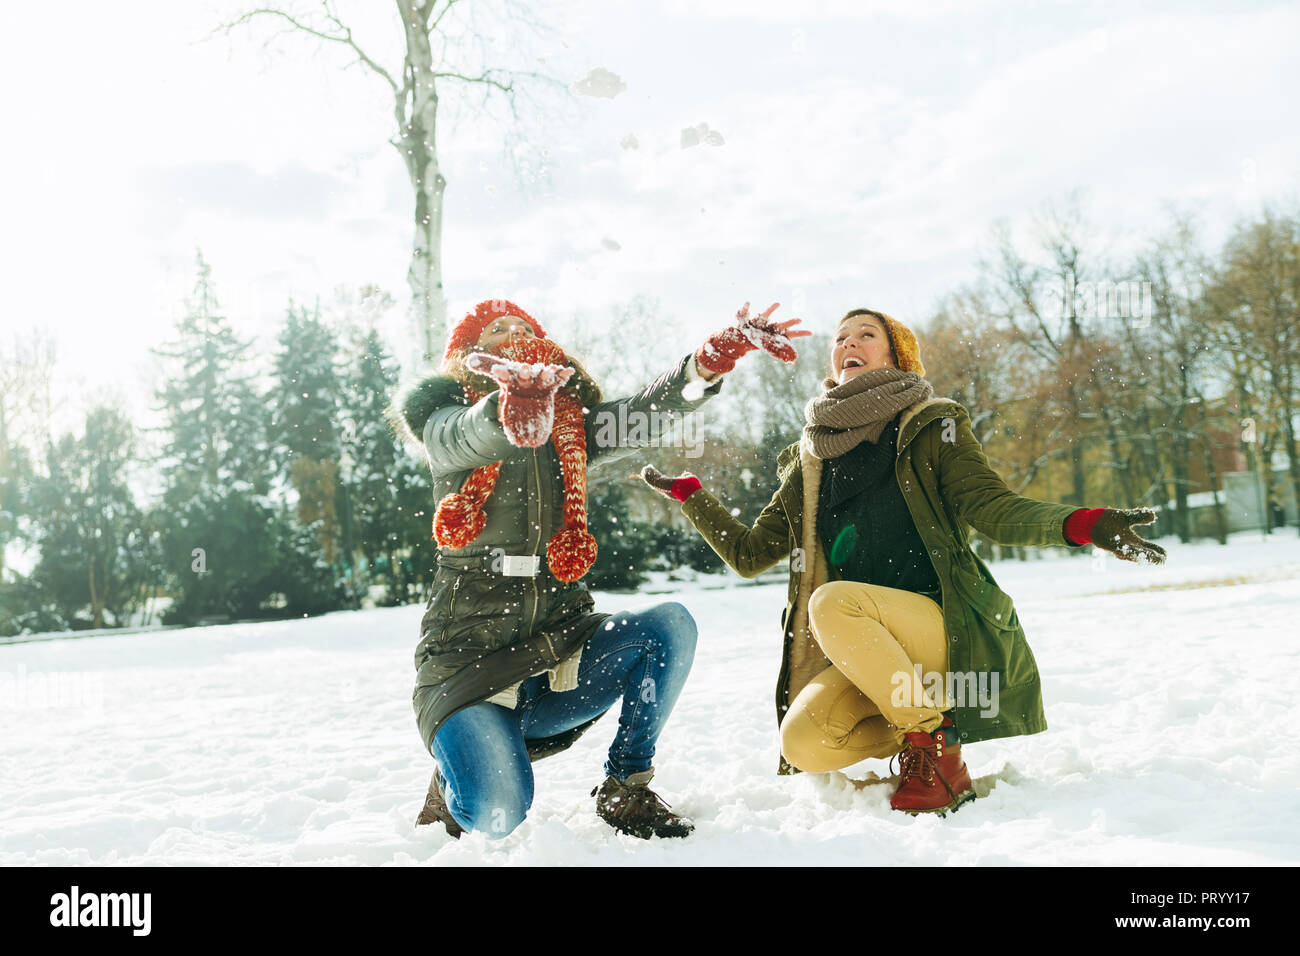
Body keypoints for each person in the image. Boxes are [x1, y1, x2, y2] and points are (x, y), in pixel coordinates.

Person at [640, 308, 1166, 815]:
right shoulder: (812, 459)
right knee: (803, 742)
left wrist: (1084, 523)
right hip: (875, 654)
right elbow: (752, 555)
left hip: (943, 632)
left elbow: (993, 508)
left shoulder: (932, 426)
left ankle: (935, 750)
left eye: (866, 334)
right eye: (841, 337)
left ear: (897, 357)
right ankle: (922, 725)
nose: (848, 343)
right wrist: (694, 498)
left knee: (833, 602)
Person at [393, 298, 807, 839]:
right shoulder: (444, 423)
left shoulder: (572, 427)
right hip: (470, 666)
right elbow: (471, 433)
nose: (515, 335)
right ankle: (457, 774)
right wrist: (510, 406)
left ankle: (625, 786)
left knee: (668, 626)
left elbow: (645, 412)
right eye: (498, 330)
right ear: (470, 354)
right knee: (497, 814)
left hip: (559, 646)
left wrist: (706, 364)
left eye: (525, 328)